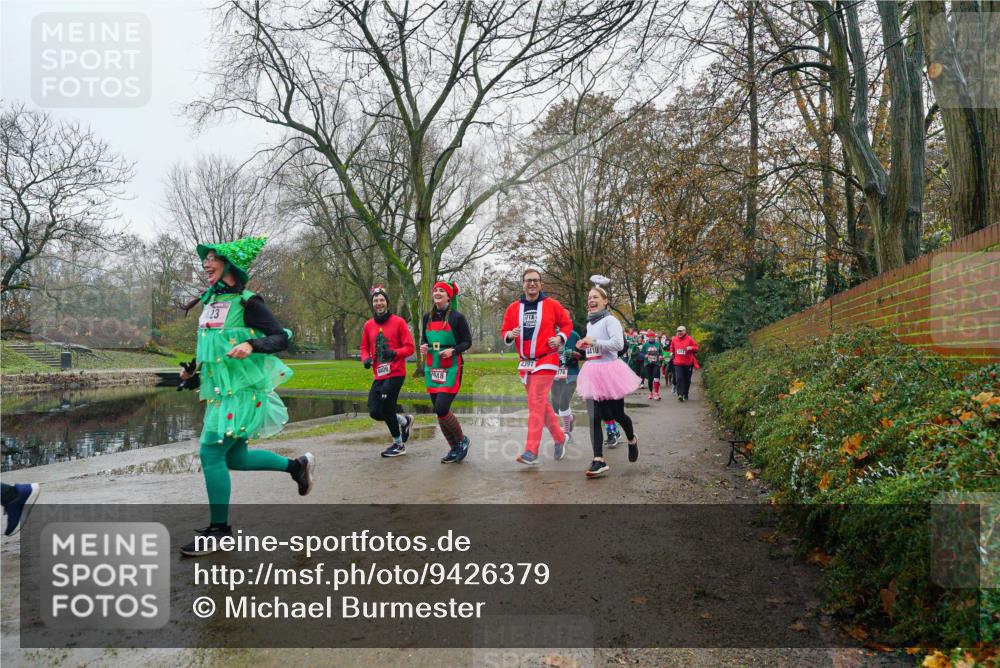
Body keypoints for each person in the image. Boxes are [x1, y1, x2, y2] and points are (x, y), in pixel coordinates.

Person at [178, 236, 313, 557]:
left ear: (230, 264)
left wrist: (252, 345)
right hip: (221, 393)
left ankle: (219, 532)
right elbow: (213, 351)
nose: (205, 263)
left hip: (241, 394)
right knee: (235, 458)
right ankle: (296, 467)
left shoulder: (248, 302)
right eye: (205, 258)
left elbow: (281, 337)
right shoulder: (211, 303)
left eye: (212, 258)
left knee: (211, 454)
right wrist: (193, 375)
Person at [501, 269, 571, 465]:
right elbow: (504, 330)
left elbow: (566, 325)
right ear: (522, 284)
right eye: (528, 281)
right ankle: (560, 437)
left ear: (541, 284)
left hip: (546, 359)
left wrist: (559, 338)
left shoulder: (552, 305)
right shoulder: (513, 308)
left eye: (535, 281)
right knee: (541, 405)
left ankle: (531, 451)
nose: (531, 284)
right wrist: (509, 335)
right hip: (525, 363)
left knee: (536, 401)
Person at [575, 276, 640, 478]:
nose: (590, 300)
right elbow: (595, 346)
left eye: (595, 297)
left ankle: (631, 439)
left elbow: (618, 345)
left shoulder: (610, 320)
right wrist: (584, 347)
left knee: (617, 415)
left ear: (605, 301)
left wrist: (593, 340)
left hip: (610, 372)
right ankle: (598, 460)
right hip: (592, 371)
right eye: (589, 298)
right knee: (595, 417)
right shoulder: (590, 323)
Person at [420, 280, 473, 463]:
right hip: (432, 366)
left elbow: (467, 341)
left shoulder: (457, 317)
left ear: (449, 296)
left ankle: (462, 441)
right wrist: (423, 347)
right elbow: (423, 339)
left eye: (441, 290)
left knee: (442, 407)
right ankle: (454, 448)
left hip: (451, 366)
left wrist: (453, 350)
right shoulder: (427, 317)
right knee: (439, 410)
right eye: (435, 290)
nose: (437, 293)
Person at [361, 285, 416, 457]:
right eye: (376, 300)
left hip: (396, 372)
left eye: (382, 300)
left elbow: (410, 348)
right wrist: (366, 359)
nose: (379, 303)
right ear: (373, 304)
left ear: (387, 302)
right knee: (375, 411)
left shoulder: (399, 322)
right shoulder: (368, 325)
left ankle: (398, 445)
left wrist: (395, 353)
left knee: (386, 407)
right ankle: (403, 420)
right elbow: (363, 347)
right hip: (379, 374)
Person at [550, 323, 582, 443]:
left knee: (563, 404)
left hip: (571, 375)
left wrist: (576, 354)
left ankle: (567, 433)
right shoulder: (549, 335)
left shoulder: (574, 335)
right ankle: (570, 417)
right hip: (554, 375)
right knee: (556, 407)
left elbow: (583, 354)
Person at [669, 325, 699, 402]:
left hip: (688, 363)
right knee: (679, 378)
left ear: (685, 331)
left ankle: (685, 393)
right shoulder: (674, 339)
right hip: (678, 362)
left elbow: (696, 347)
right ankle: (680, 394)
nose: (679, 332)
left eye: (681, 331)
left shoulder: (689, 339)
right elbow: (672, 347)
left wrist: (691, 348)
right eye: (678, 331)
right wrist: (671, 353)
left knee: (687, 379)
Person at [640, 329, 665, 401]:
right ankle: (651, 392)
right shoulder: (645, 345)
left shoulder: (658, 344)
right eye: (650, 337)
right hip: (648, 363)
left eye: (652, 337)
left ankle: (656, 393)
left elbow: (661, 352)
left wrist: (661, 356)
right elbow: (641, 353)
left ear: (654, 337)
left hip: (656, 363)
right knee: (650, 379)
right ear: (648, 337)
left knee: (656, 378)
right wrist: (644, 355)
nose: (651, 338)